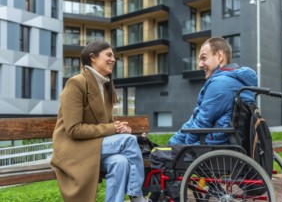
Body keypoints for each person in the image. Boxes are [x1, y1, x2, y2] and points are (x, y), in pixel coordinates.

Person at [51, 40, 146, 202]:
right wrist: (113, 129)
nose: (113, 59)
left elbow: (107, 125)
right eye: (108, 55)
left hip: (93, 146)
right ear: (93, 58)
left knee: (120, 162)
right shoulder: (76, 83)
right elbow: (74, 129)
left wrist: (120, 129)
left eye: (114, 56)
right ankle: (138, 198)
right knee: (129, 141)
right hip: (72, 149)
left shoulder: (106, 87)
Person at [168, 36, 257, 145]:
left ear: (219, 56)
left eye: (204, 58)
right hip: (225, 145)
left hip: (215, 148)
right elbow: (196, 119)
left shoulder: (220, 84)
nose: (200, 64)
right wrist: (172, 143)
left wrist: (184, 149)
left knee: (160, 157)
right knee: (164, 151)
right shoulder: (235, 81)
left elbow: (201, 123)